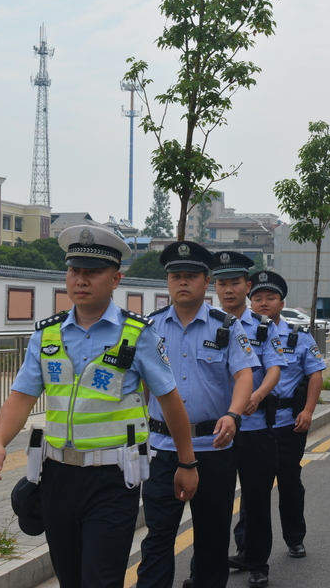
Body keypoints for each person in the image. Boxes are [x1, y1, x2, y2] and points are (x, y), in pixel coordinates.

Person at [0, 225, 198, 588]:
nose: (81, 280)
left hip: (113, 479)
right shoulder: (47, 335)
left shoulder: (138, 334)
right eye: (74, 271)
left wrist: (187, 462)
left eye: (92, 272)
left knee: (100, 578)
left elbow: (170, 400)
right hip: (56, 476)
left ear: (115, 279)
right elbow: (22, 395)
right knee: (70, 579)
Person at [137, 241, 259, 588]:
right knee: (159, 535)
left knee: (211, 536)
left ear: (206, 281)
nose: (182, 283)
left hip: (214, 449)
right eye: (176, 276)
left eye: (191, 276)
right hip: (163, 449)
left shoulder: (226, 326)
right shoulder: (150, 328)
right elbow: (139, 386)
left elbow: (244, 374)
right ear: (168, 281)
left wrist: (234, 414)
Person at [208, 251, 285, 588]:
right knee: (212, 505)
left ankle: (257, 563)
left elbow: (274, 368)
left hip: (254, 429)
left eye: (235, 283)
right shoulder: (206, 323)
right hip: (214, 433)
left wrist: (257, 395)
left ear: (247, 286)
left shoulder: (263, 328)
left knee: (255, 500)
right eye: (222, 283)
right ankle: (205, 568)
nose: (228, 290)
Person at [245, 270, 325, 564]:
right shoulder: (243, 334)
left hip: (289, 423)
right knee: (254, 488)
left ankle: (294, 539)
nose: (263, 303)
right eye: (258, 298)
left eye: (271, 298)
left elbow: (315, 374)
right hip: (254, 424)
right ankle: (246, 546)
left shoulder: (298, 337)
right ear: (250, 302)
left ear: (282, 302)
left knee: (290, 483)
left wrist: (308, 411)